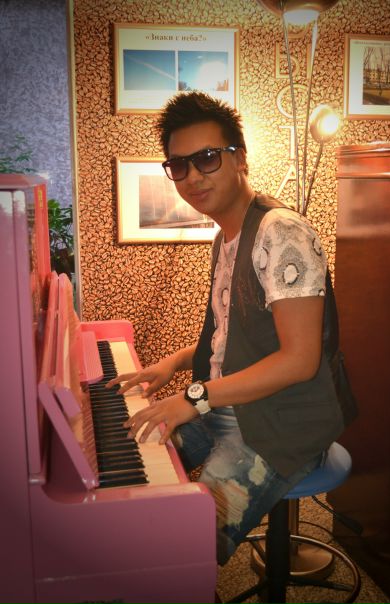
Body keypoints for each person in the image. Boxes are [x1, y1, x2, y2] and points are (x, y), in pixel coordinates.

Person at [106, 91, 356, 565]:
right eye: (179, 165)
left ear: (240, 158)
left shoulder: (281, 232)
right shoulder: (226, 236)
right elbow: (233, 337)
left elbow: (299, 361)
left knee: (179, 551)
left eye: (207, 158)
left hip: (283, 424)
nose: (193, 176)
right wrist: (176, 362)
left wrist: (192, 397)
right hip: (231, 407)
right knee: (134, 456)